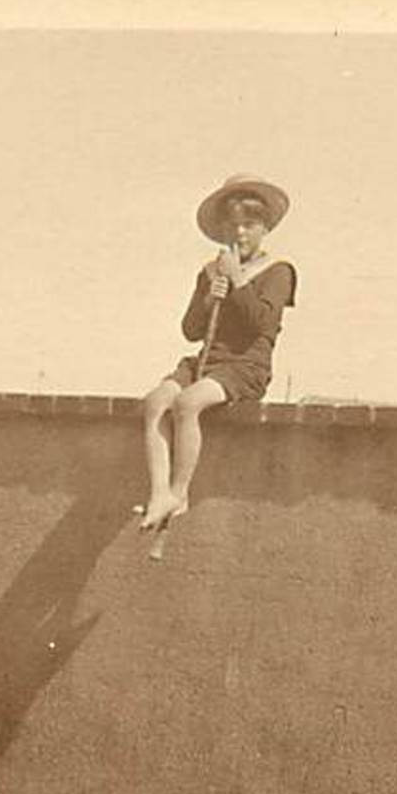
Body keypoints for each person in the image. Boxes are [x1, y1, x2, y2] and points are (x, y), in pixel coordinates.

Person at [139, 174, 298, 530]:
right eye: (234, 225)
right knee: (156, 401)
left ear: (265, 228)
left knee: (187, 403)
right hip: (207, 360)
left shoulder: (278, 271)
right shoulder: (211, 271)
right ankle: (159, 492)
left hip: (246, 366)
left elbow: (262, 324)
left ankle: (180, 493)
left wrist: (239, 282)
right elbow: (190, 330)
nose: (241, 233)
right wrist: (211, 296)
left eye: (250, 225)